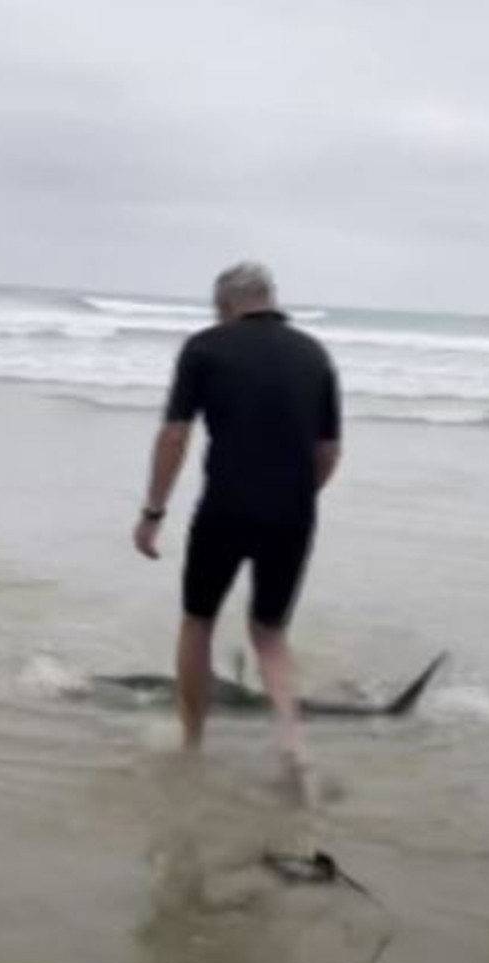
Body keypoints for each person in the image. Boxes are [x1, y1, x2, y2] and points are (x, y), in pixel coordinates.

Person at [133, 262, 341, 770]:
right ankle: (292, 745)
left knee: (198, 621)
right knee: (270, 635)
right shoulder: (314, 354)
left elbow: (174, 436)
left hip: (224, 509)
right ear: (269, 299)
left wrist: (153, 512)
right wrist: (294, 495)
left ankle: (192, 742)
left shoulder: (205, 347)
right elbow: (330, 450)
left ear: (225, 305)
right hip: (293, 515)